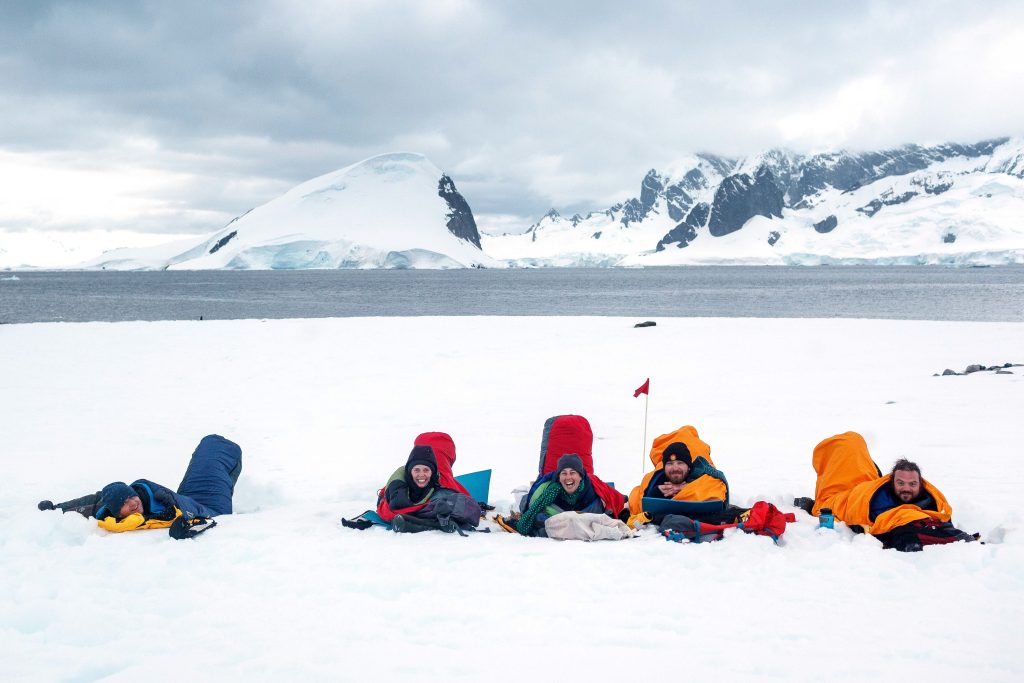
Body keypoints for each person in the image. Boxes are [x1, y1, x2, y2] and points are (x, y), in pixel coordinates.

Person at [805, 431, 976, 551]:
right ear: (892, 481)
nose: (906, 488)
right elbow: (838, 506)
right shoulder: (879, 496)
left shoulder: (930, 497)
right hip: (847, 495)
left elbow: (942, 516)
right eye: (900, 483)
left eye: (912, 484)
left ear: (920, 483)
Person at [39, 434, 243, 534]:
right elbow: (91, 503)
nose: (133, 502)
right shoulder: (110, 510)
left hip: (209, 508)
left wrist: (177, 512)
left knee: (215, 447)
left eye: (131, 497)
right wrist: (57, 509)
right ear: (117, 513)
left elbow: (205, 518)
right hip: (204, 503)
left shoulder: (156, 498)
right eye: (125, 505)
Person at [625, 425, 729, 527]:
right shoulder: (656, 479)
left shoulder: (703, 473)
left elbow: (719, 489)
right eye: (670, 464)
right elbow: (638, 503)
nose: (675, 468)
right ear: (664, 467)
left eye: (680, 463)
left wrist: (688, 488)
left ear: (688, 467)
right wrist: (655, 492)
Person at [377, 444, 481, 533]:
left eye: (426, 470)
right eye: (416, 470)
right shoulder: (398, 487)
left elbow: (472, 510)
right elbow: (396, 504)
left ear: (433, 473)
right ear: (409, 472)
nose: (421, 474)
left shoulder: (439, 488)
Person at [514, 454, 610, 537]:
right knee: (525, 502)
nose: (568, 477)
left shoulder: (590, 494)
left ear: (581, 476)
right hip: (538, 500)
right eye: (564, 473)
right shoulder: (550, 492)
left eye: (572, 473)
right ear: (559, 477)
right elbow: (533, 509)